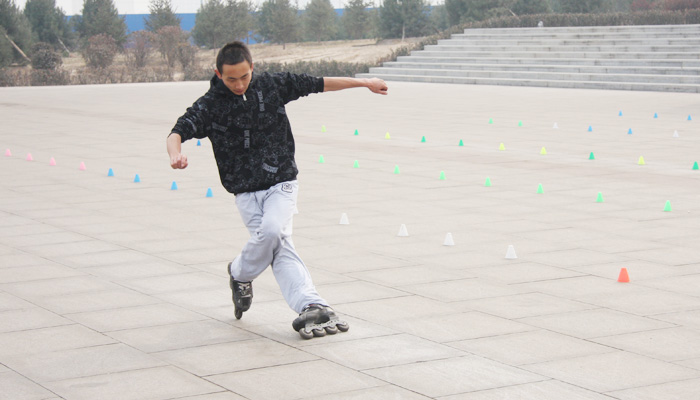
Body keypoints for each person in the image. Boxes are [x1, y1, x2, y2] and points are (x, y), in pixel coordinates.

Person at [166, 41, 388, 339]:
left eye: (244, 77)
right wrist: (174, 154)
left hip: (281, 183)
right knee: (279, 244)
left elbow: (319, 83)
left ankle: (243, 274)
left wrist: (364, 83)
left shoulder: (272, 85)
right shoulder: (210, 105)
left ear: (252, 68)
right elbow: (178, 130)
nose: (239, 84)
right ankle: (307, 303)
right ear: (218, 74)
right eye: (231, 79)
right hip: (245, 193)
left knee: (272, 232)